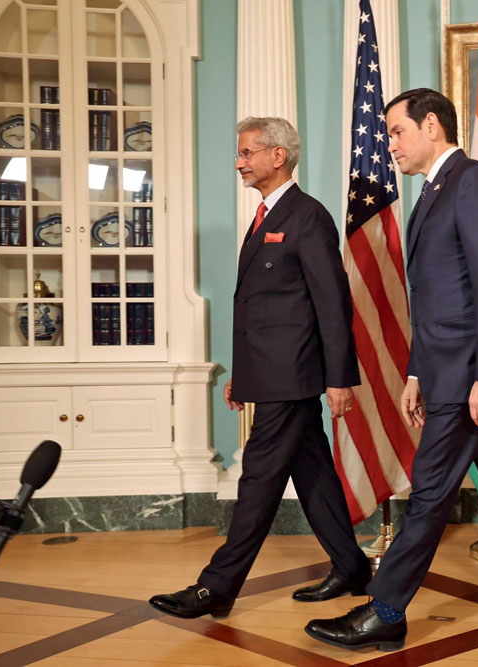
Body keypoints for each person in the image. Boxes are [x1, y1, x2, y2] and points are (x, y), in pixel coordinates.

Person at [305, 89, 478, 652]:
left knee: (430, 492)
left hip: (468, 377)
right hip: (446, 370)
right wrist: (414, 373)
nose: (390, 147)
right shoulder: (436, 190)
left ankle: (385, 609)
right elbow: (436, 300)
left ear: (432, 126)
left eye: (396, 132)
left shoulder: (474, 181)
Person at [149, 117, 371, 620]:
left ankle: (216, 587)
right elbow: (261, 308)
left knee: (258, 479)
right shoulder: (265, 216)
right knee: (313, 472)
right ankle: (352, 567)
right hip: (271, 374)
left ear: (279, 156)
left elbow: (332, 304)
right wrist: (242, 376)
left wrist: (339, 378)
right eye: (239, 153)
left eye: (248, 153)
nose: (238, 162)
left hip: (293, 377)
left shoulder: (307, 216)